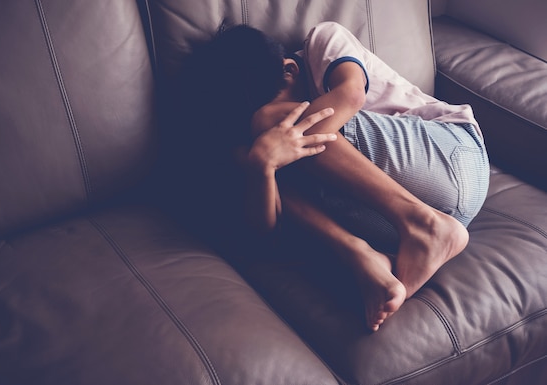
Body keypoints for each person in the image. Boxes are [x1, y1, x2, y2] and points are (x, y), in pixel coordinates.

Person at [182, 21, 489, 331]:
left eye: (282, 104)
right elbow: (266, 230)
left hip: (453, 158)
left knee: (269, 125)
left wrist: (274, 135)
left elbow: (351, 94)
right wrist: (263, 164)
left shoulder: (322, 41)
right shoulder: (254, 141)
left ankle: (424, 224)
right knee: (257, 157)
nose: (277, 131)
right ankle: (361, 254)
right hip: (395, 223)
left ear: (289, 70)